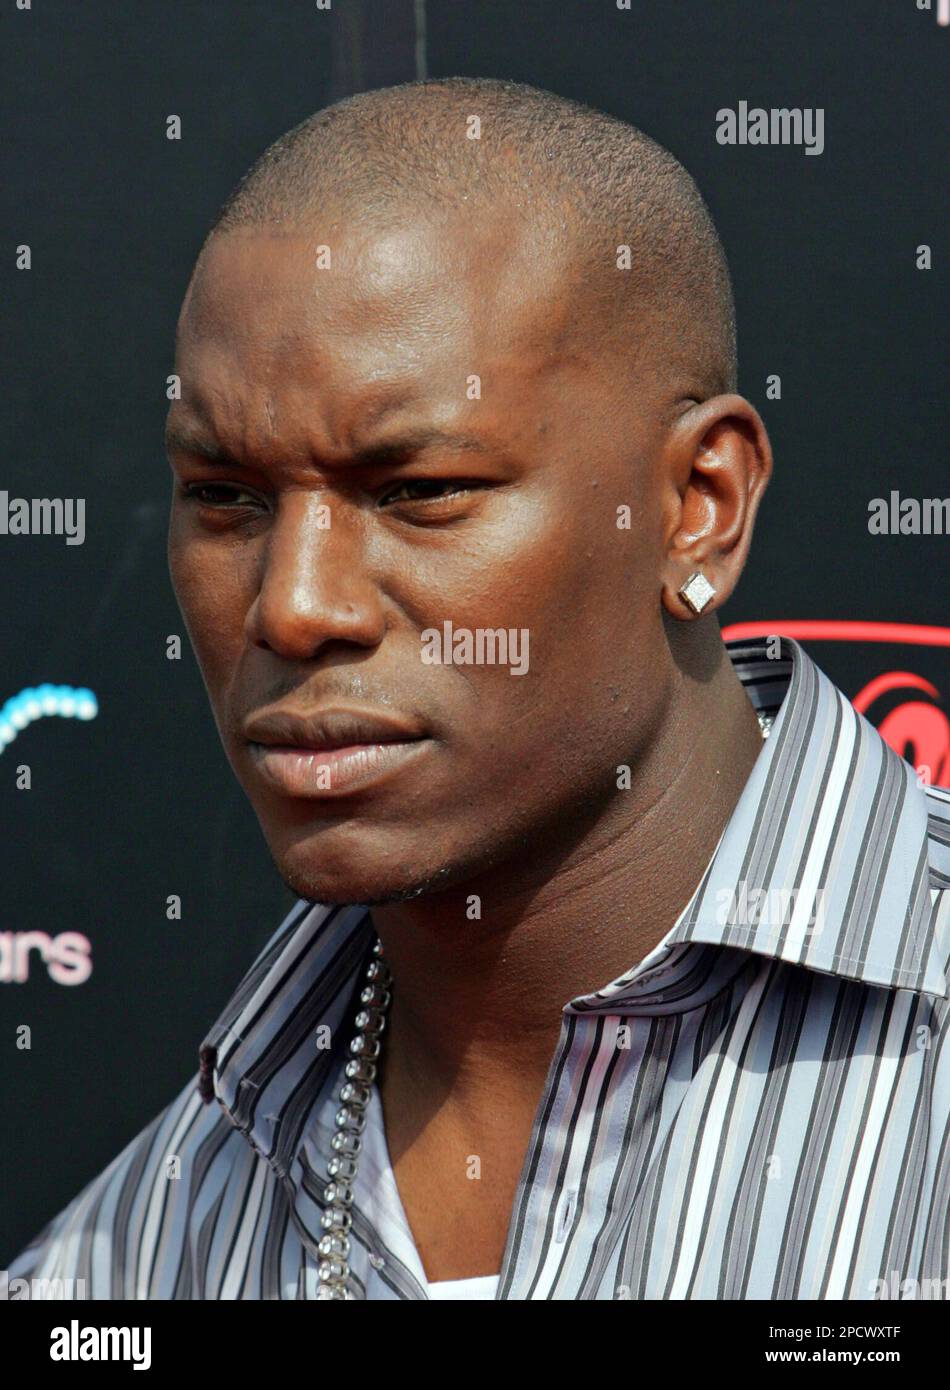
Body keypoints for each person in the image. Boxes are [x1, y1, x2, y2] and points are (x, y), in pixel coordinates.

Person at [5, 77, 948, 1302]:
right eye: (227, 497)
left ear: (694, 508)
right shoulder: (127, 1259)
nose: (294, 605)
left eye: (419, 492)